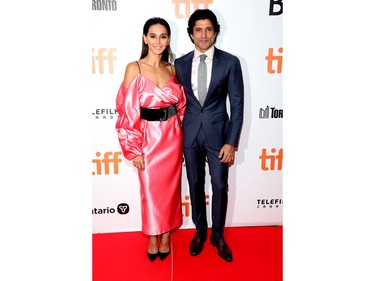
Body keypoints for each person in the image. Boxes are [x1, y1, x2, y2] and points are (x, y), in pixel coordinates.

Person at [174, 9, 244, 262]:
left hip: (219, 137)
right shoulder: (179, 64)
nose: (203, 35)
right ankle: (200, 231)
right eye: (198, 30)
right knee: (194, 186)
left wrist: (231, 142)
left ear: (215, 31)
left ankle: (218, 235)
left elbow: (236, 104)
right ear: (191, 34)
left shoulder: (230, 62)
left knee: (219, 186)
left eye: (208, 29)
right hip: (189, 135)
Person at [115, 17, 186, 262]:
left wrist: (184, 137)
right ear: (145, 38)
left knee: (171, 190)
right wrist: (133, 149)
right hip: (148, 139)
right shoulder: (133, 67)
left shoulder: (172, 68)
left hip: (172, 137)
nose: (158, 41)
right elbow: (127, 111)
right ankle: (153, 235)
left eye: (163, 36)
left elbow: (182, 107)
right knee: (151, 190)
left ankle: (166, 233)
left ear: (168, 40)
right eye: (153, 36)